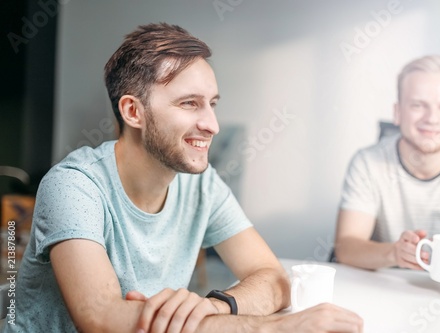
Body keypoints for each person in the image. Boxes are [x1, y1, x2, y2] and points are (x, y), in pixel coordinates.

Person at [2, 23, 363, 333]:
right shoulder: (73, 185)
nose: (212, 124)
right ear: (133, 111)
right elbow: (101, 317)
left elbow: (273, 276)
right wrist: (277, 327)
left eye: (213, 103)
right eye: (189, 103)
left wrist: (218, 306)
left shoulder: (201, 183)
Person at [334, 54, 440, 290]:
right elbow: (345, 247)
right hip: (387, 290)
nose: (432, 119)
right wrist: (394, 253)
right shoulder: (367, 163)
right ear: (397, 112)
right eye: (418, 105)